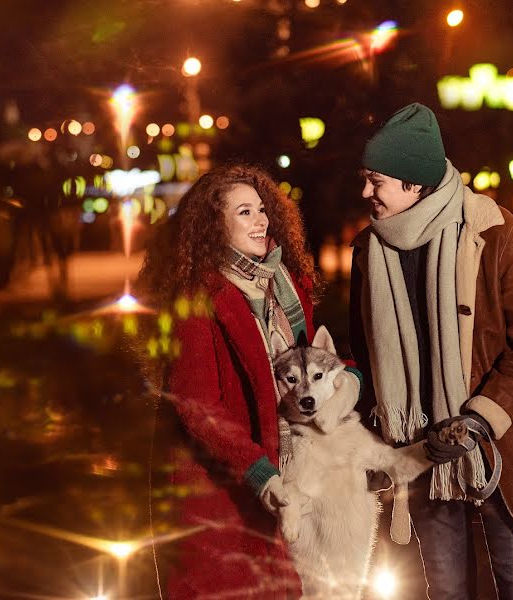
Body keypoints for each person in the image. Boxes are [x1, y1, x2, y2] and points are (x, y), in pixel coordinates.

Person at [348, 103, 513, 599]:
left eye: (377, 180)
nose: (366, 192)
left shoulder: (496, 233)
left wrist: (479, 419)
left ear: (414, 182)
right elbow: (365, 354)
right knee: (447, 592)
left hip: (505, 445)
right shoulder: (367, 251)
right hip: (420, 449)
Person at [138, 163, 317, 598]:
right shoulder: (197, 298)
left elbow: (305, 369)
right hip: (217, 499)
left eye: (261, 210)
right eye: (244, 213)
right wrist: (260, 473)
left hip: (284, 482)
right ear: (214, 226)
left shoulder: (284, 289)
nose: (261, 222)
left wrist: (344, 378)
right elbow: (197, 406)